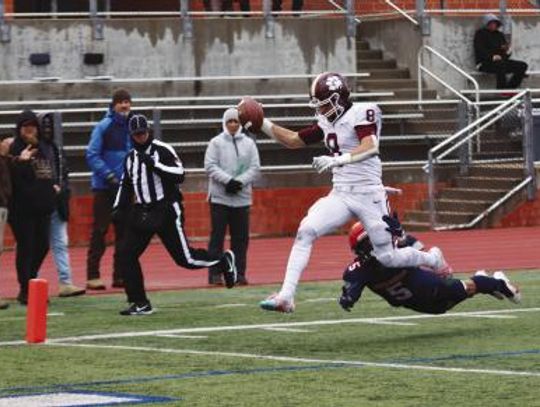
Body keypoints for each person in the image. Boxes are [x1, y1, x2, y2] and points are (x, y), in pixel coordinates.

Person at [258, 72, 449, 313]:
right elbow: (294, 140)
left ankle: (432, 259)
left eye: (324, 104)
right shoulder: (327, 121)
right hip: (341, 193)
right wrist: (261, 122)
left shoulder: (362, 112)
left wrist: (339, 160)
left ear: (339, 99)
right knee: (306, 231)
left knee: (387, 257)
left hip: (369, 194)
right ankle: (286, 296)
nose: (321, 109)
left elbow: (370, 146)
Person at [114, 114, 237, 316]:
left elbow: (180, 175)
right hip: (143, 211)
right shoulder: (130, 158)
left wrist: (155, 165)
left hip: (166, 210)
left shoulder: (162, 150)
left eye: (143, 132)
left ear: (148, 130)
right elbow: (125, 184)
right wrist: (118, 207)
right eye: (136, 134)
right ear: (131, 135)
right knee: (126, 255)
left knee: (185, 259)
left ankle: (222, 260)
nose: (140, 137)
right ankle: (140, 302)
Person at [339, 218, 521, 314]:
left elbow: (416, 246)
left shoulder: (396, 249)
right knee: (449, 303)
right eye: (364, 245)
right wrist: (348, 297)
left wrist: (404, 241)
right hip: (418, 304)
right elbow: (351, 289)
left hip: (433, 286)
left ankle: (502, 285)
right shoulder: (358, 271)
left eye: (370, 242)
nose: (370, 247)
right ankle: (486, 281)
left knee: (466, 287)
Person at [205, 108, 260, 286]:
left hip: (242, 199)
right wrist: (227, 181)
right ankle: (214, 274)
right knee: (217, 238)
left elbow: (255, 167)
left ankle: (239, 273)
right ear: (224, 123)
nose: (233, 125)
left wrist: (240, 182)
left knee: (240, 239)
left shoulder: (249, 144)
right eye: (230, 121)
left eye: (236, 121)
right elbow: (210, 165)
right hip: (220, 198)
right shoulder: (216, 143)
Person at [85, 89, 133, 290]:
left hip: (124, 188)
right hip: (104, 188)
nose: (125, 106)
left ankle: (119, 275)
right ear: (113, 104)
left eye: (128, 102)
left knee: (124, 233)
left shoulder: (132, 126)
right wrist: (109, 176)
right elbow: (91, 154)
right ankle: (92, 275)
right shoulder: (104, 126)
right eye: (121, 102)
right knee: (100, 231)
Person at [8, 110, 56, 305]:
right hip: (22, 209)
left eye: (32, 125)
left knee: (43, 246)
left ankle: (31, 280)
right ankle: (25, 289)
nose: (29, 129)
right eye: (25, 126)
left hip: (42, 207)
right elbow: (13, 177)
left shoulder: (44, 146)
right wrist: (22, 162)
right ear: (19, 128)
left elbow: (47, 171)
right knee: (26, 248)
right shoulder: (14, 148)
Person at [38, 113, 85, 298]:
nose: (48, 130)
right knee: (35, 246)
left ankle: (65, 282)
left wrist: (62, 189)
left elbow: (64, 173)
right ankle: (30, 282)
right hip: (40, 205)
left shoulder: (56, 149)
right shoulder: (35, 149)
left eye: (50, 126)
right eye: (45, 126)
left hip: (57, 203)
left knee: (60, 243)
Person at [474, 14, 528, 89]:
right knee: (500, 64)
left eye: (495, 23)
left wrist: (507, 52)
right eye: (491, 23)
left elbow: (504, 52)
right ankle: (501, 89)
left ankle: (510, 88)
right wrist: (492, 57)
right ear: (486, 24)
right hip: (485, 63)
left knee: (522, 65)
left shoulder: (499, 35)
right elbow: (480, 49)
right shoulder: (480, 34)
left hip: (501, 62)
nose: (493, 25)